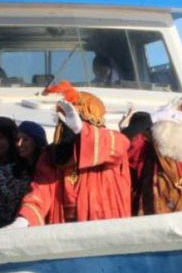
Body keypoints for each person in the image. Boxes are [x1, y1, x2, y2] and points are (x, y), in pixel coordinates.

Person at [11, 81, 131, 226]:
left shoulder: (111, 142)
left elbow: (119, 145)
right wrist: (24, 219)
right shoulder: (51, 155)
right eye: (64, 123)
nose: (66, 129)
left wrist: (81, 130)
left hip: (104, 230)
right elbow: (41, 192)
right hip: (65, 232)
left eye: (73, 120)